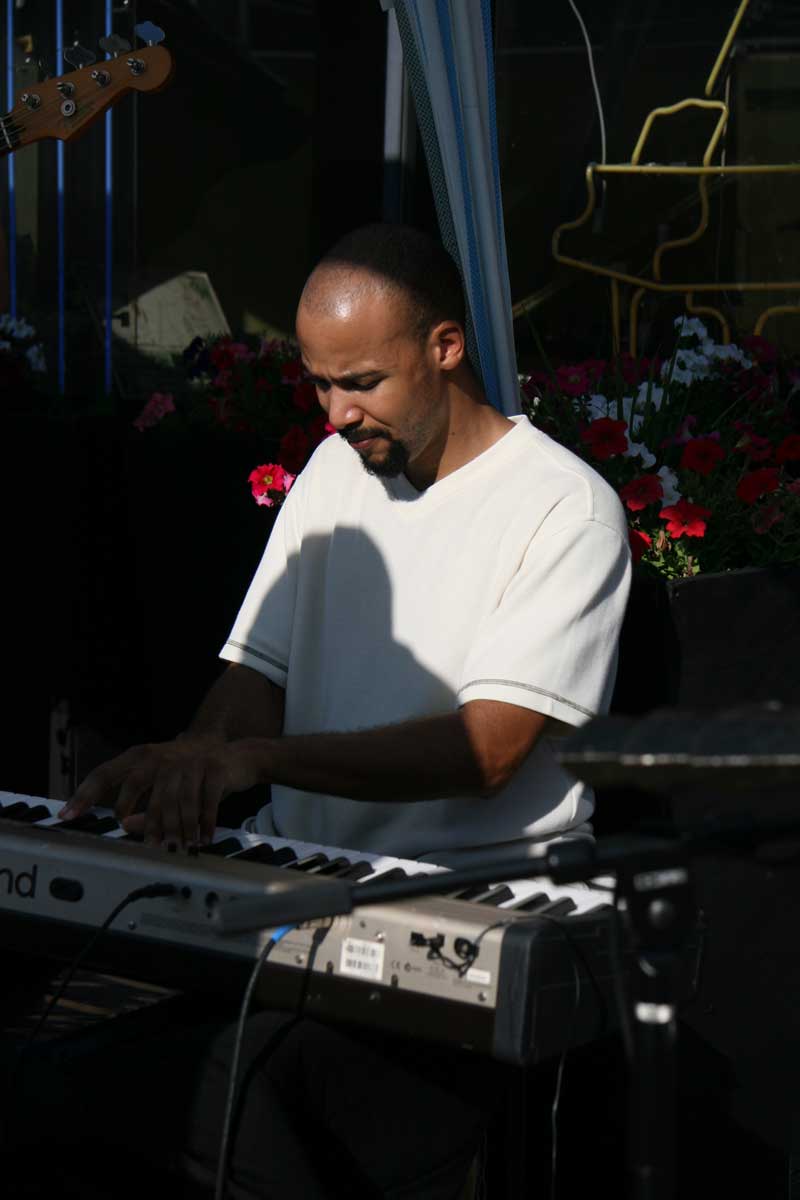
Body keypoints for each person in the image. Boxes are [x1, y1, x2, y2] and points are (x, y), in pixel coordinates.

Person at [57, 223, 631, 1198]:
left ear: (445, 348)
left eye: (359, 381)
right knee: (64, 1072)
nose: (333, 412)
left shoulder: (562, 508)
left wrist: (261, 763)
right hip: (293, 904)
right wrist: (192, 755)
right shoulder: (334, 472)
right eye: (318, 384)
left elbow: (486, 750)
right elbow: (256, 671)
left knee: (230, 1105)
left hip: (458, 918)